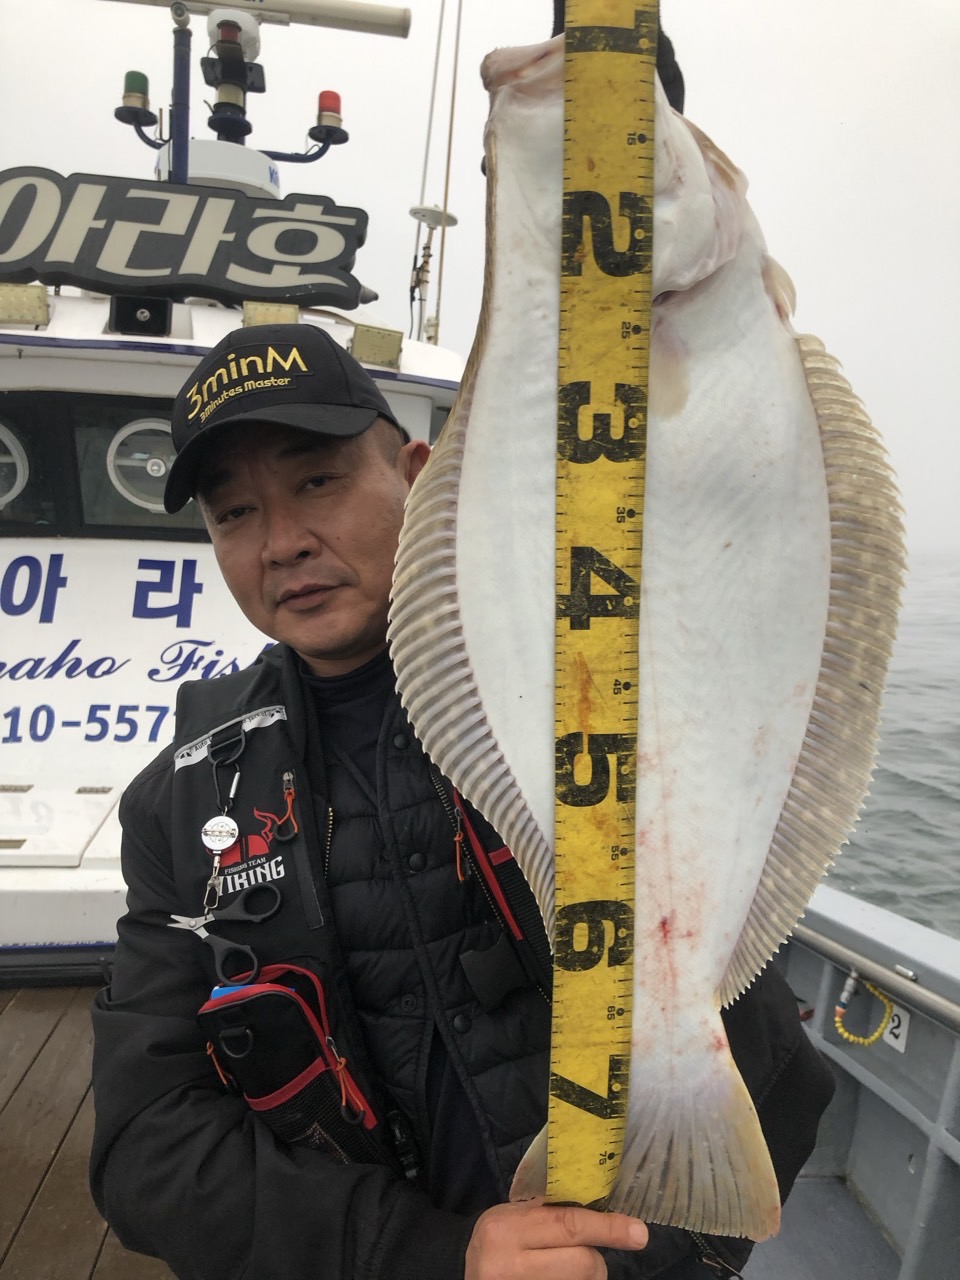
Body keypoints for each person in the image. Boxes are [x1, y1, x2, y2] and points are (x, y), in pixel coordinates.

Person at [90, 323, 834, 1280]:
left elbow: (757, 1056)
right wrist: (437, 1256)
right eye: (234, 512)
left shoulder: (598, 683)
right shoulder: (180, 802)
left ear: (418, 475)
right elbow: (147, 1143)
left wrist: (630, 1260)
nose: (282, 543)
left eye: (317, 481)